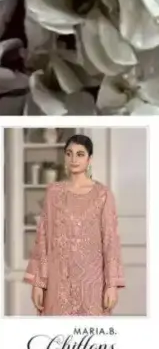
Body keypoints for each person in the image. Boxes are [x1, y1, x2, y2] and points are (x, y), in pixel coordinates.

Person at [28, 133, 124, 316]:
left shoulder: (103, 195)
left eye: (80, 154)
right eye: (69, 153)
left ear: (89, 159)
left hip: (92, 283)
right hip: (58, 281)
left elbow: (110, 242)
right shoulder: (53, 193)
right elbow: (43, 239)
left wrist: (111, 285)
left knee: (88, 334)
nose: (74, 159)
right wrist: (38, 284)